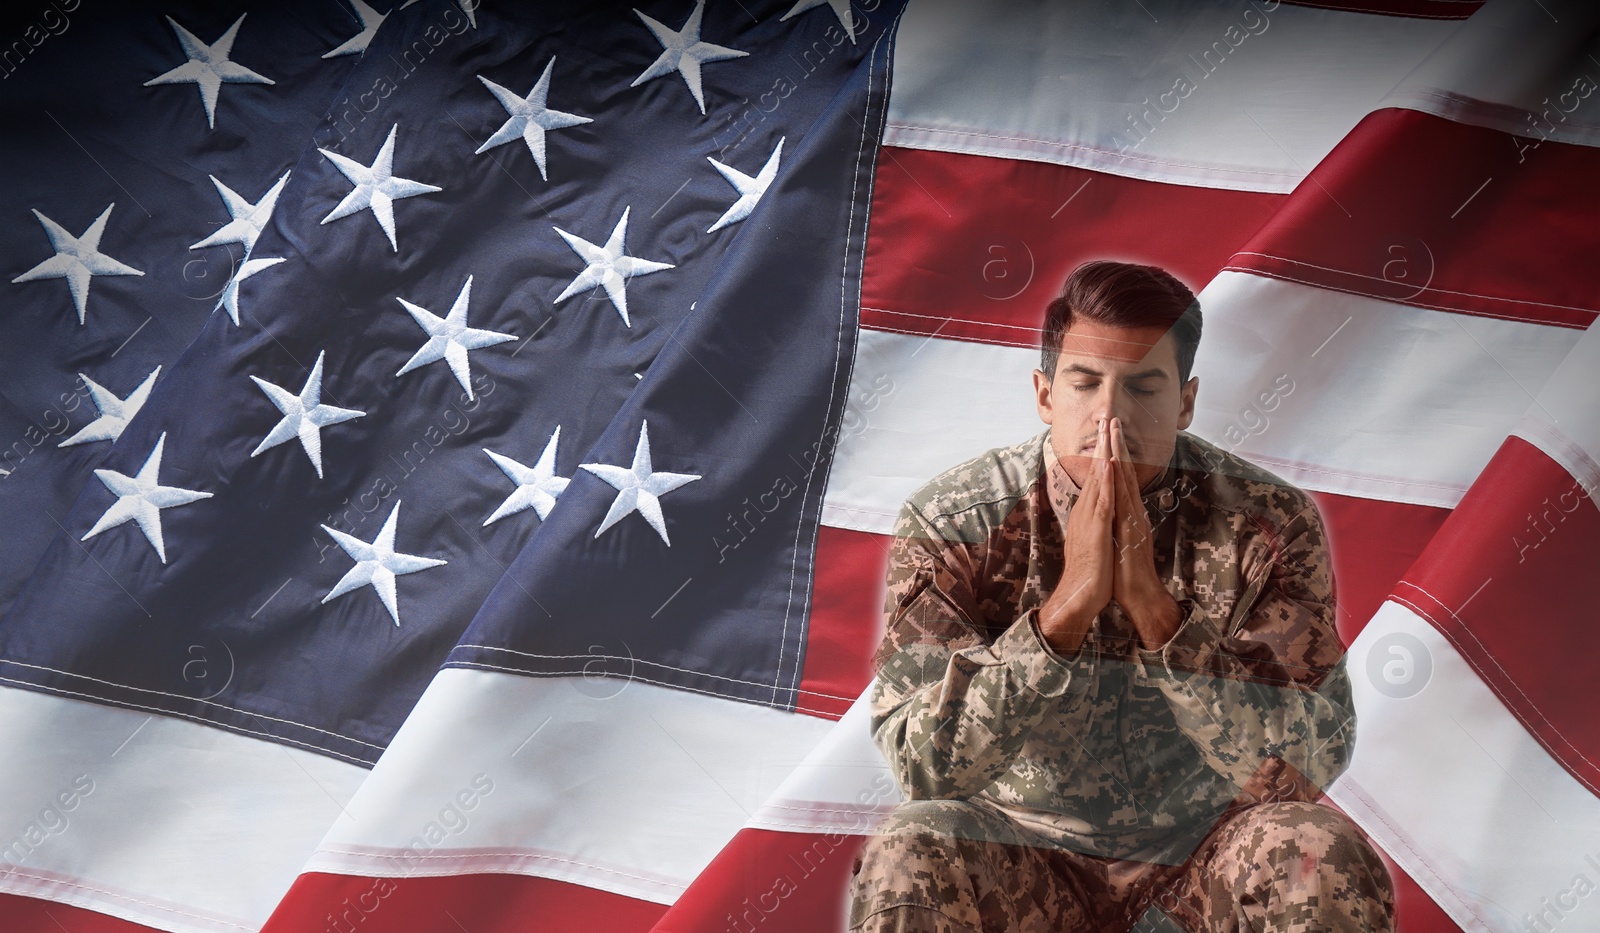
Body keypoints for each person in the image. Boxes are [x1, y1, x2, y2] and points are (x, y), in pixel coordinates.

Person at [847, 261, 1395, 932]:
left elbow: (1304, 766)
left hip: (1200, 862)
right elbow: (923, 764)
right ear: (1046, 395)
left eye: (1142, 387)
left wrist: (1159, 617)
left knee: (1315, 850)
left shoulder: (1266, 524)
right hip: (1023, 859)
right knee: (912, 845)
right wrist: (1060, 617)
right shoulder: (959, 522)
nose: (1110, 413)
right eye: (1085, 383)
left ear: (1185, 401)